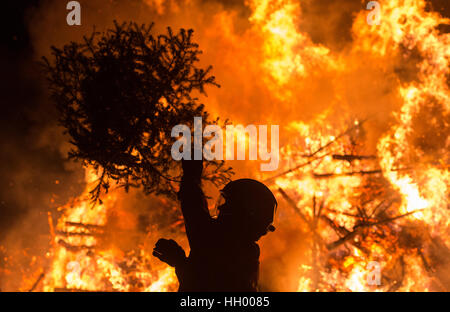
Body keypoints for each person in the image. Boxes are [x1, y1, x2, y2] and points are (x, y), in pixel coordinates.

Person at [152, 159, 277, 291]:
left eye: (228, 204)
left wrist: (191, 176)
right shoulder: (247, 252)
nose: (221, 207)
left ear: (241, 214)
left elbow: (193, 206)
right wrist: (180, 262)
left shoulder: (218, 239)